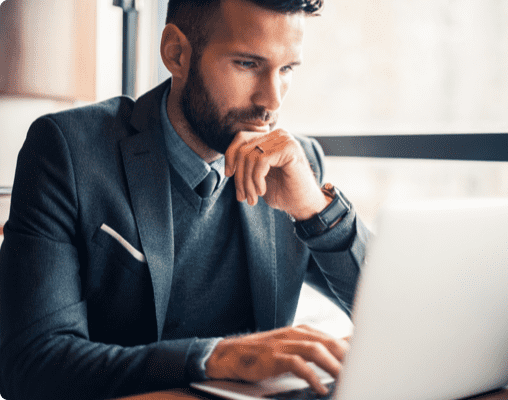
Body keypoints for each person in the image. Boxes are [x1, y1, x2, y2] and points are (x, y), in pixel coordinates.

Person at [0, 0, 370, 399]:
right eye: (247, 64)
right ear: (176, 54)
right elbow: (31, 363)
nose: (272, 102)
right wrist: (214, 357)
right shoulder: (68, 150)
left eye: (286, 70)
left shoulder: (294, 164)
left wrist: (316, 210)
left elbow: (395, 312)